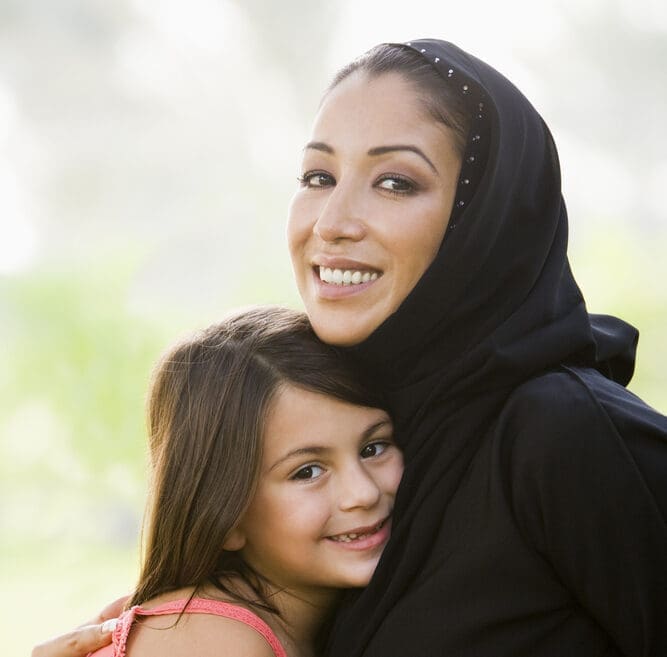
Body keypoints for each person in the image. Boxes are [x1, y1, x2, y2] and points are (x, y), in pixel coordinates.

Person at [35, 38, 667, 657]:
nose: (333, 221)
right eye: (319, 175)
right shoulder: (366, 424)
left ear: (488, 217)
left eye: (395, 183)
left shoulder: (564, 432)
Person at [34, 305, 403, 657]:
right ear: (226, 517)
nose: (364, 492)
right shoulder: (216, 640)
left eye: (373, 447)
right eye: (306, 471)